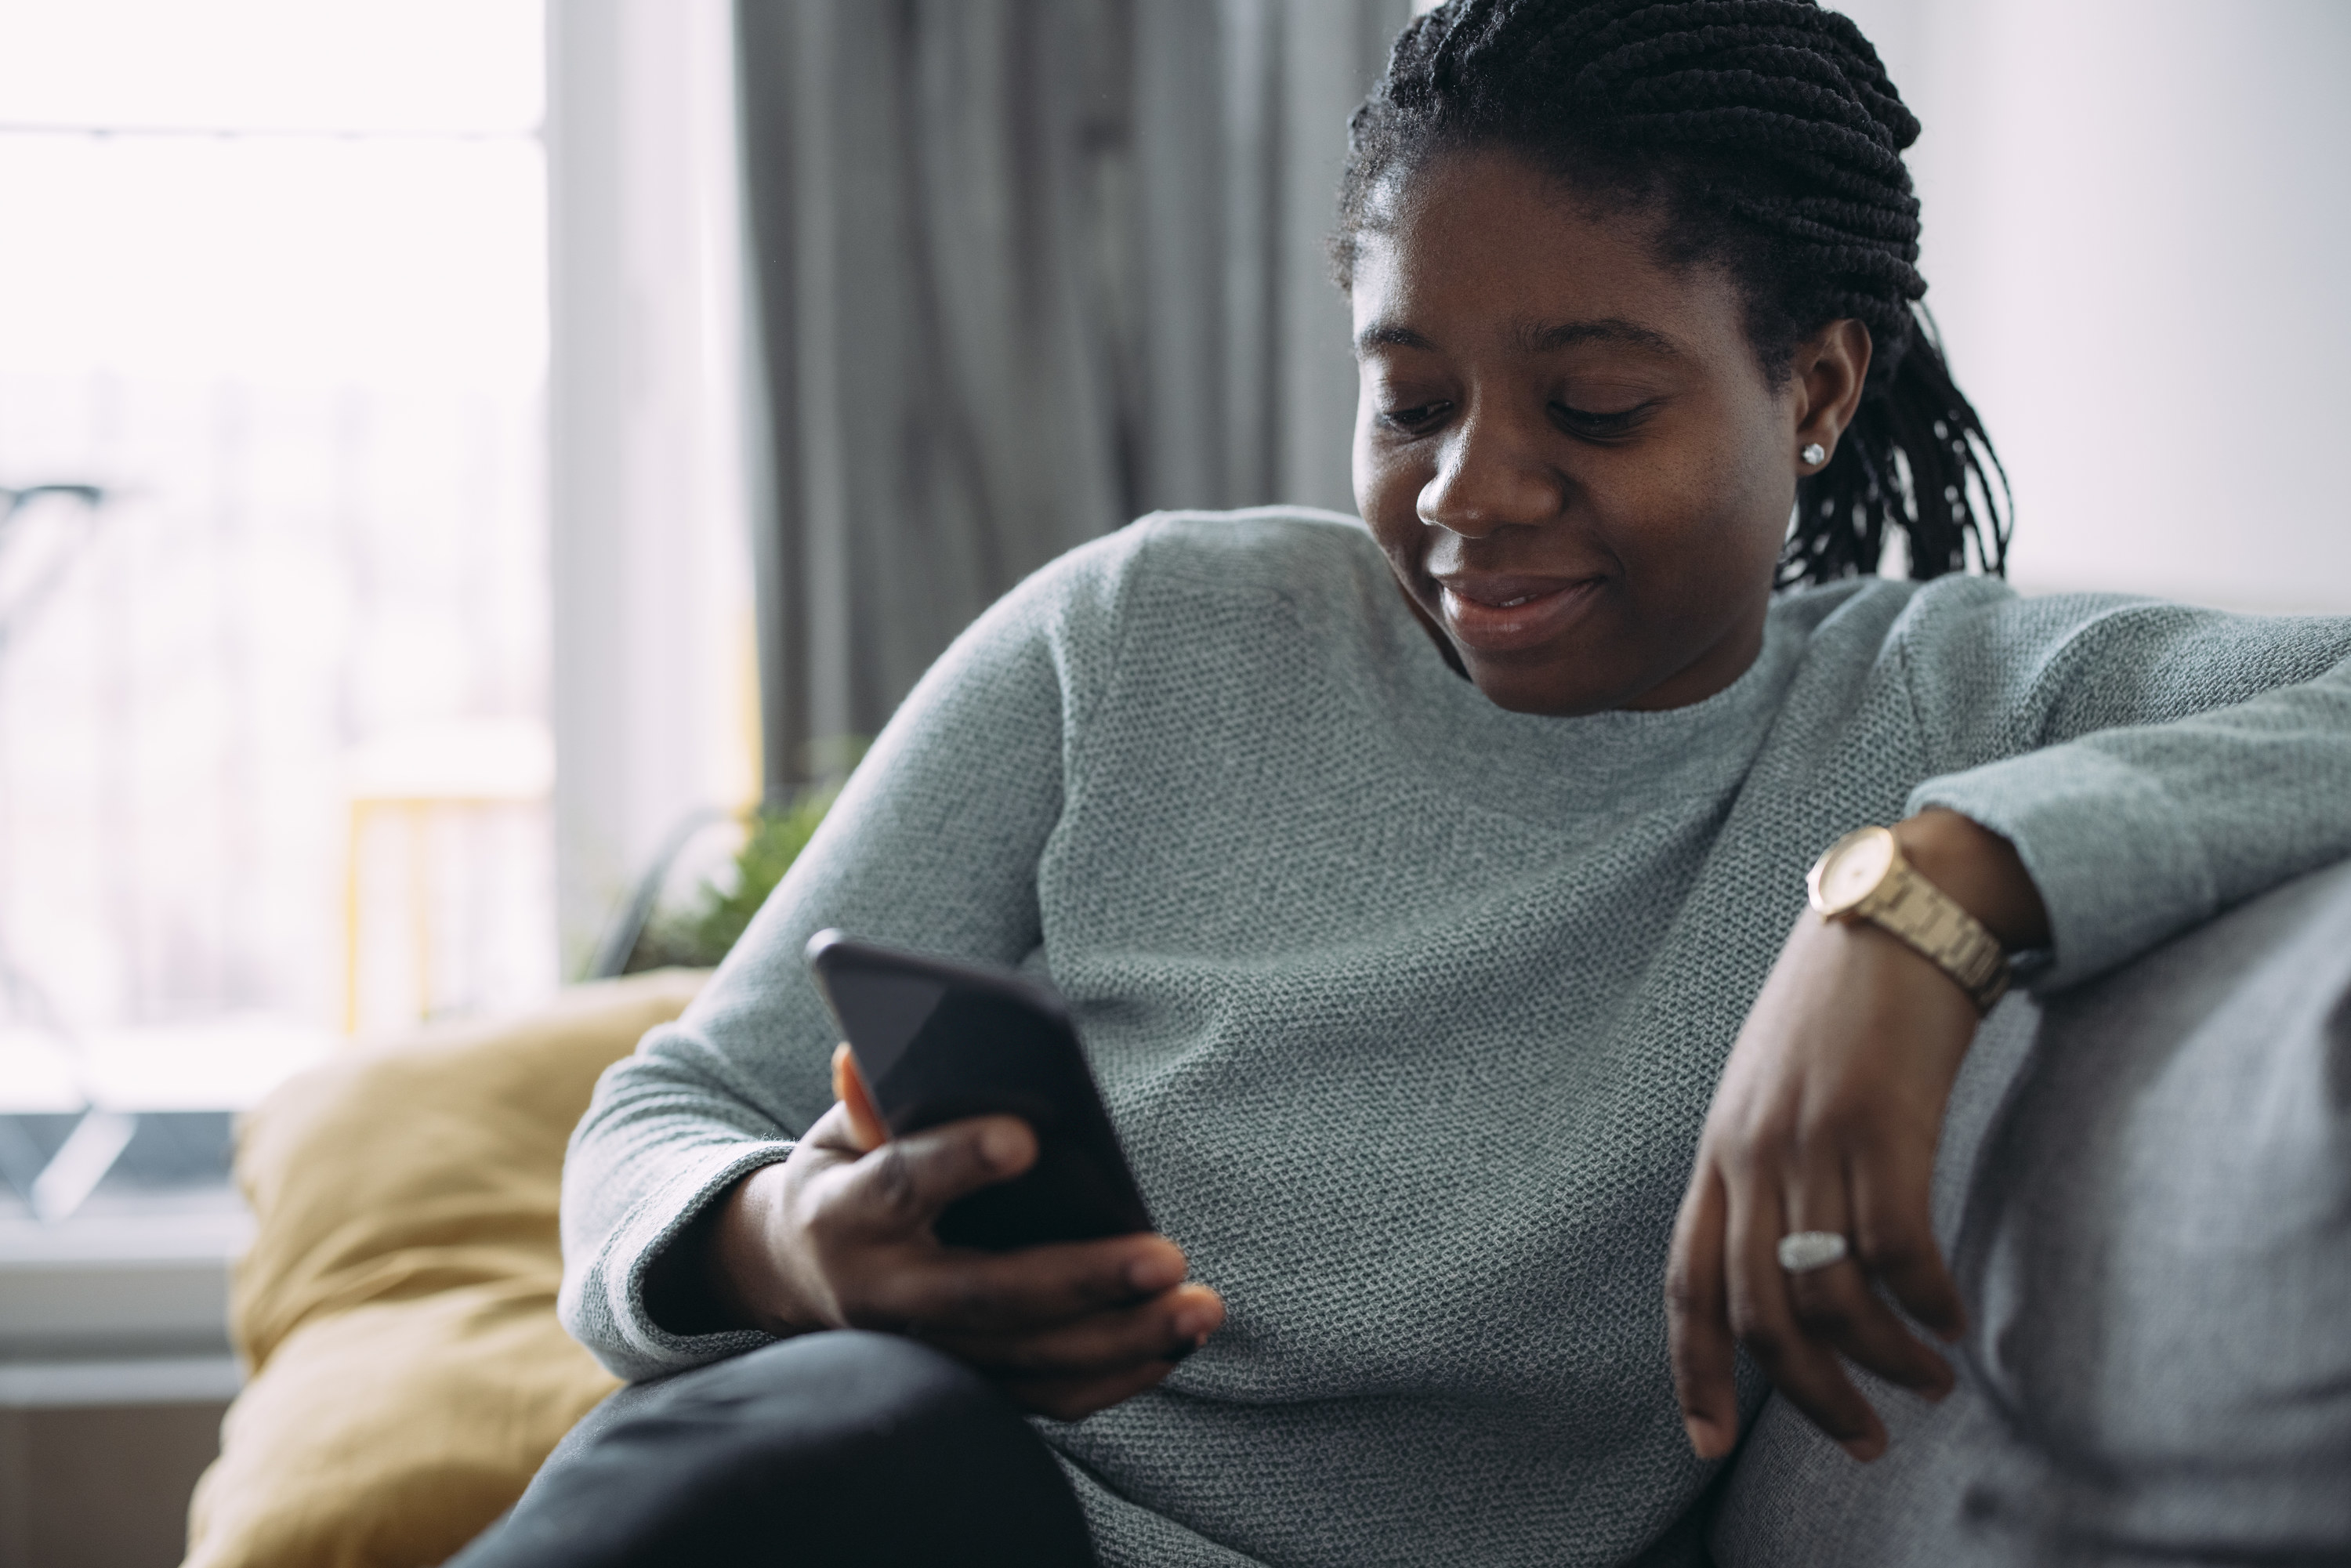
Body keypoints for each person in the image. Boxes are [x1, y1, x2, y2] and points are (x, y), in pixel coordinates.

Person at [461, 2, 2351, 1564]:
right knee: (808, 1459)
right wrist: (788, 1245)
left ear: (1820, 389)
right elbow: (682, 1097)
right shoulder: (1143, 634)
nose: (1468, 492)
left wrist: (1932, 891)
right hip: (946, 1488)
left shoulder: (1933, 701)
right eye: (1411, 398)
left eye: (1596, 408)